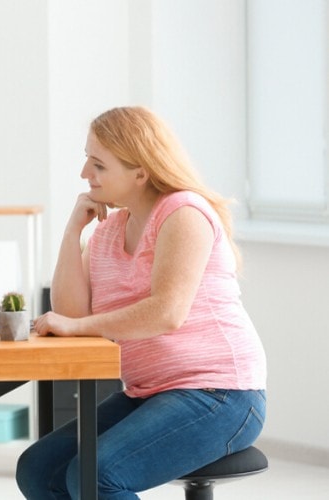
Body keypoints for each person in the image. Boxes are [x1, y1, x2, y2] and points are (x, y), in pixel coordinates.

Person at [15, 106, 267, 499]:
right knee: (39, 469)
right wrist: (72, 230)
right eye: (87, 160)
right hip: (148, 392)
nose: (85, 174)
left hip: (221, 394)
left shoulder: (183, 213)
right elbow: (71, 315)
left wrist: (76, 326)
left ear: (140, 172)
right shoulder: (109, 231)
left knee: (95, 476)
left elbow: (167, 313)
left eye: (98, 164)